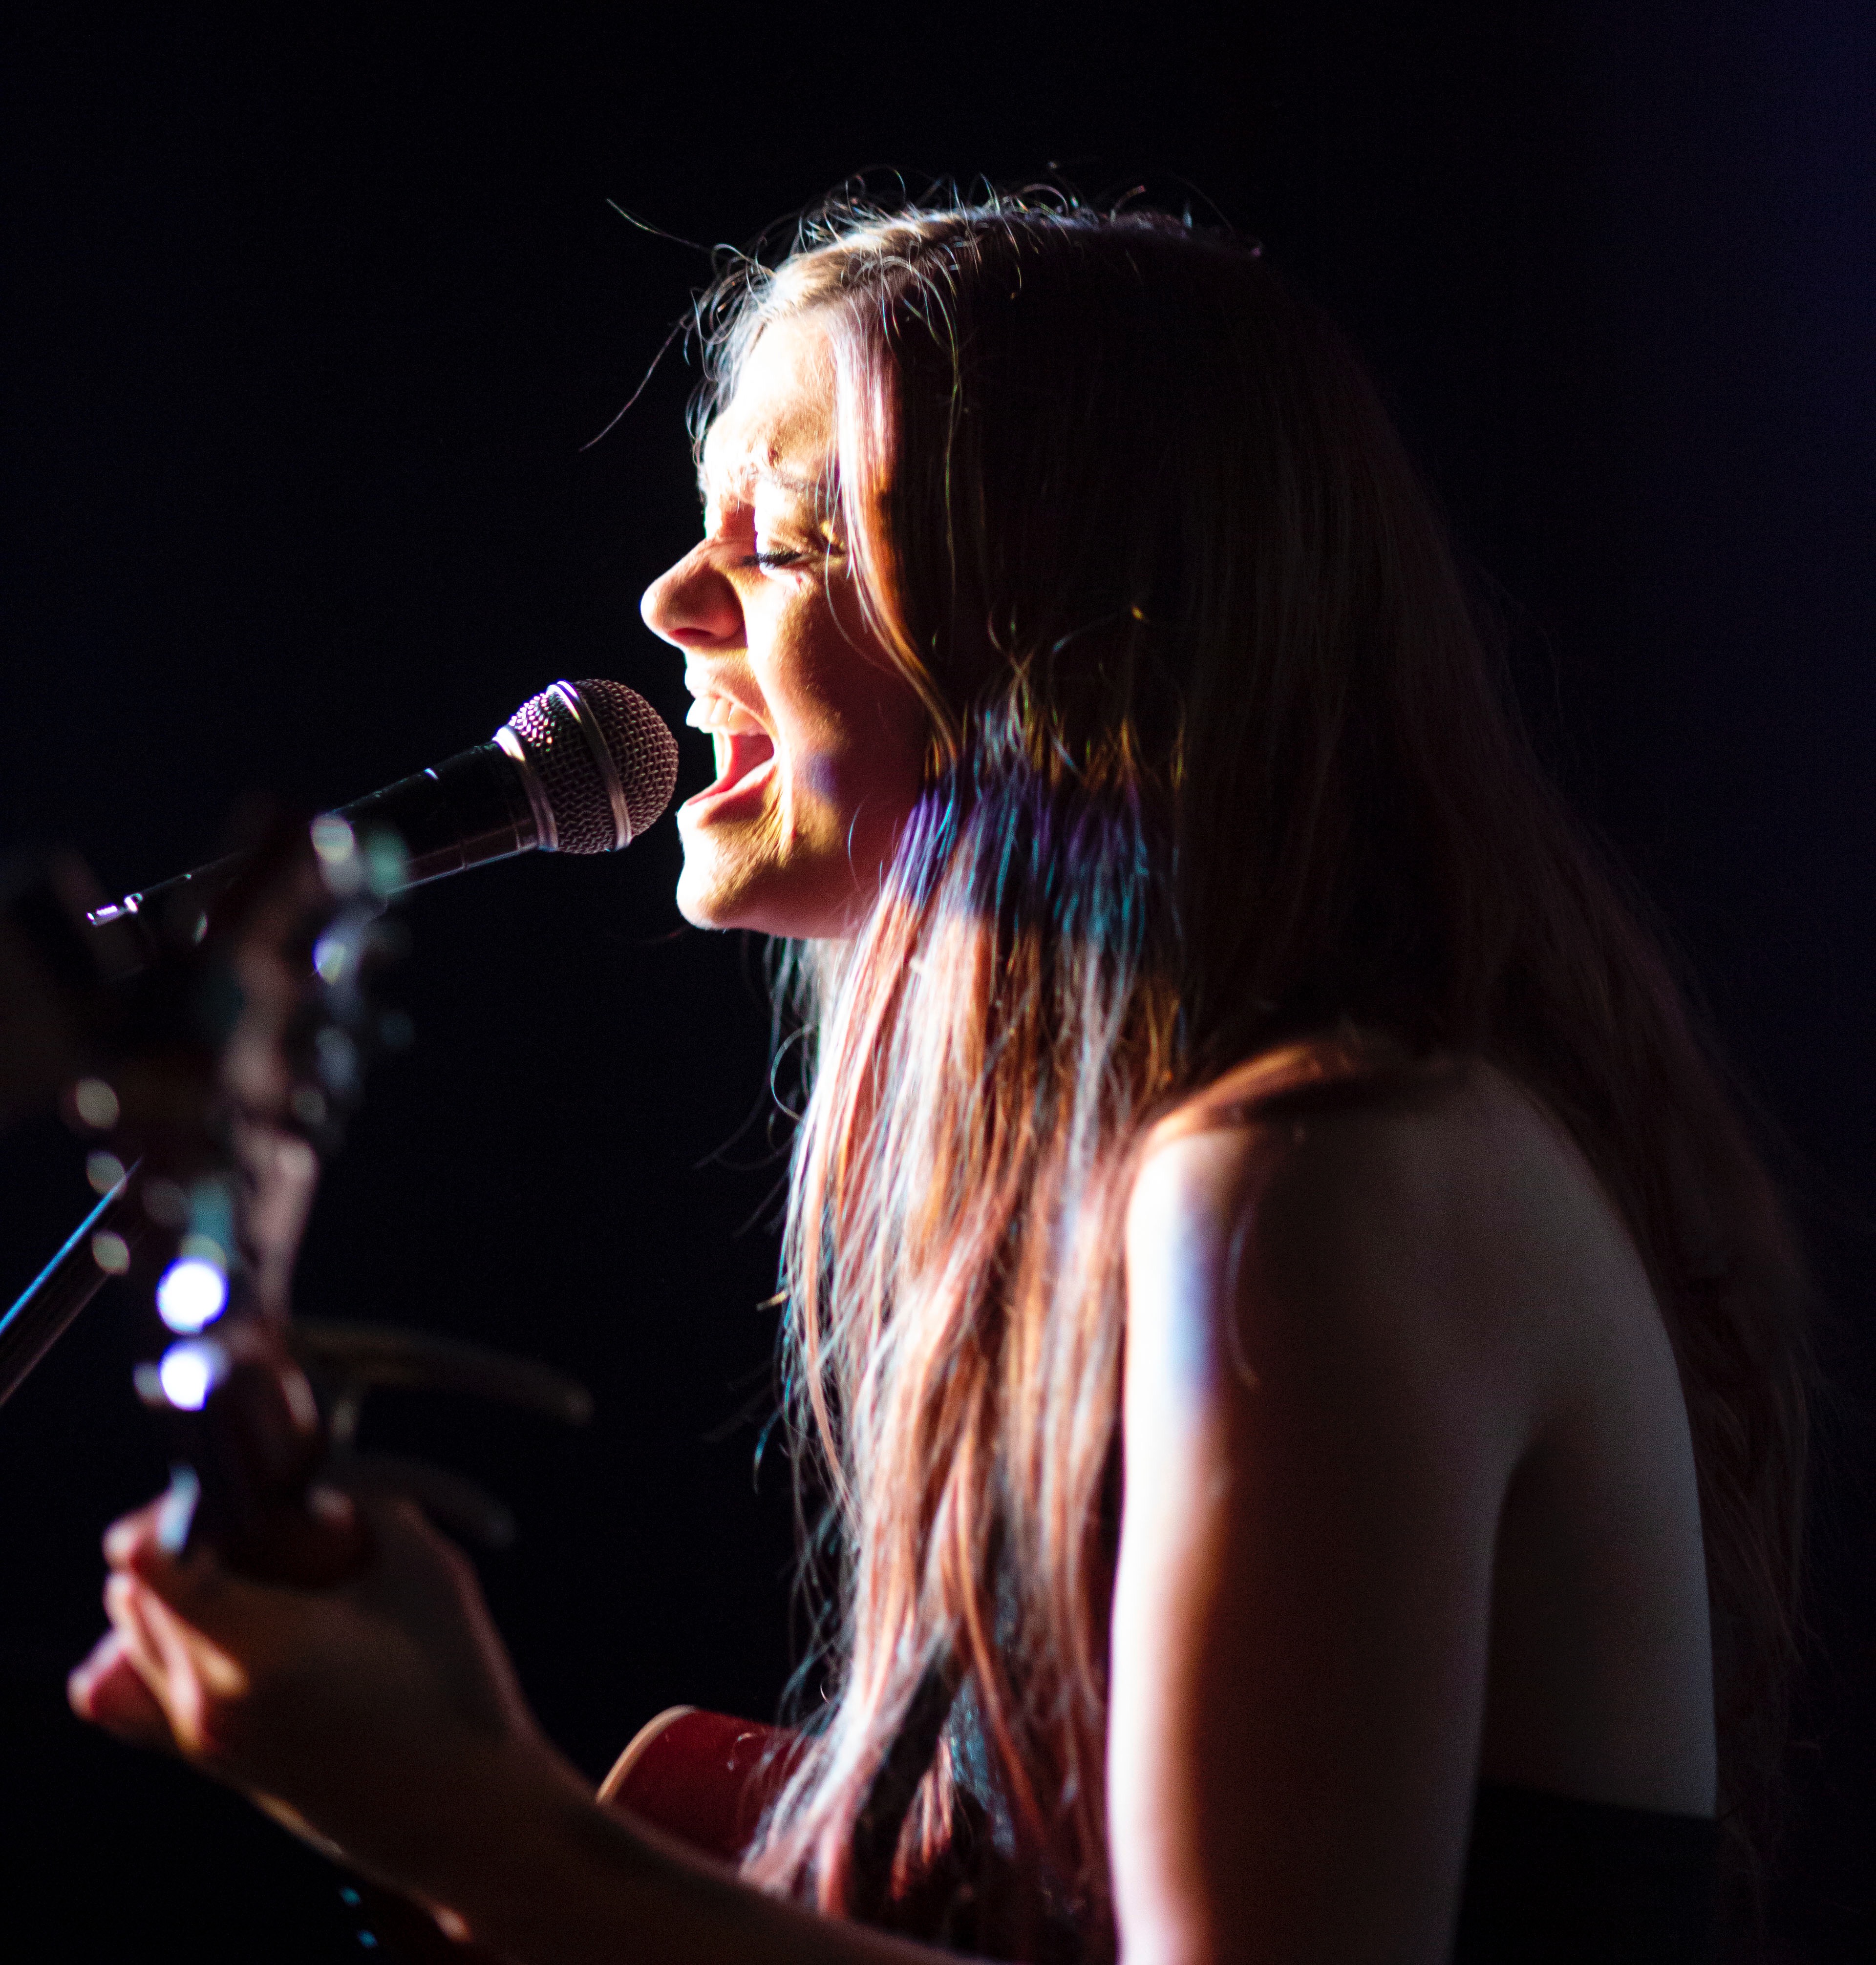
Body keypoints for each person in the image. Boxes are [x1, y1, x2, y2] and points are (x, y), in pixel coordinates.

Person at [67, 198, 1809, 1963]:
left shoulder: (1322, 1182)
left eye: (786, 540)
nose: (672, 602)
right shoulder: (1220, 1187)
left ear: (1072, 633)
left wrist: (476, 1820)